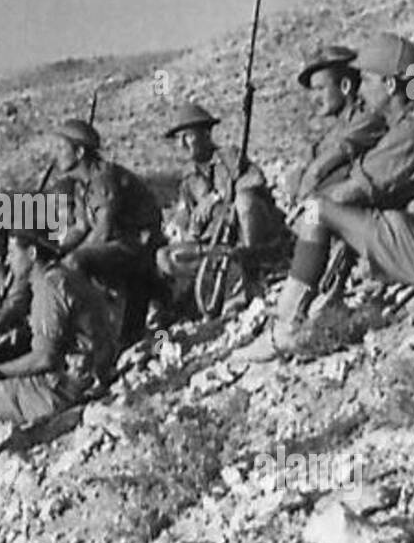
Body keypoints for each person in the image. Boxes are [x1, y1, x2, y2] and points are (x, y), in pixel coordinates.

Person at [239, 32, 414, 361]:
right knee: (349, 215)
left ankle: (283, 328)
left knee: (319, 210)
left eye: (368, 80)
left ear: (390, 85)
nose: (360, 88)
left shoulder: (411, 133)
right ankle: (324, 300)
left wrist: (306, 213)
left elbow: (351, 193)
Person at [0, 228, 118, 443]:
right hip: (88, 373)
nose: (9, 259)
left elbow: (45, 358)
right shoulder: (62, 275)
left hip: (63, 390)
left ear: (32, 254)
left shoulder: (48, 288)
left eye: (13, 253)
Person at [155, 101, 288, 309]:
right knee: (165, 257)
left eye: (188, 136)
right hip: (217, 246)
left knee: (245, 200)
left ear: (206, 135)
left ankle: (255, 267)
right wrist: (194, 229)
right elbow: (189, 222)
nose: (182, 144)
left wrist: (215, 197)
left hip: (247, 235)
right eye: (178, 139)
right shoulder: (188, 178)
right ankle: (223, 280)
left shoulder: (229, 156)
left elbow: (255, 181)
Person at [52, 118, 165, 348]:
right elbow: (81, 227)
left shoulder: (103, 179)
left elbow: (102, 231)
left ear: (80, 151)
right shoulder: (82, 184)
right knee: (62, 262)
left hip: (137, 247)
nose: (56, 154)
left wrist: (68, 259)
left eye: (62, 147)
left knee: (75, 264)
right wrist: (57, 249)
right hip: (120, 246)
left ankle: (91, 333)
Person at [286, 46, 389, 203]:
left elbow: (320, 167)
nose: (314, 98)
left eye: (320, 89)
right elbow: (311, 159)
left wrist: (305, 189)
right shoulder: (340, 126)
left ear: (345, 86)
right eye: (313, 91)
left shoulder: (367, 119)